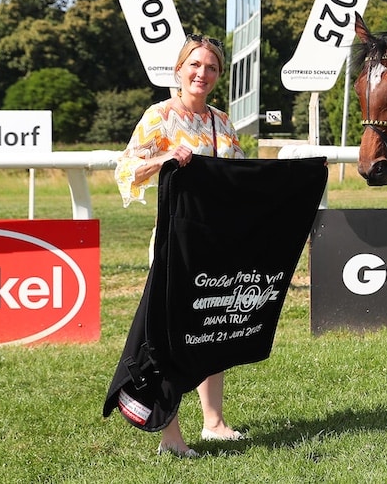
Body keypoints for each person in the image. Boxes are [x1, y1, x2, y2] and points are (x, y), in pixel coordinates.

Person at [115, 33, 246, 459]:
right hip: (175, 243)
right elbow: (127, 168)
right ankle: (171, 436)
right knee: (171, 337)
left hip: (217, 240)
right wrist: (167, 159)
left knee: (213, 329)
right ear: (179, 68)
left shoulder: (222, 121)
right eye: (195, 65)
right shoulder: (160, 115)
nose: (202, 73)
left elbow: (242, 178)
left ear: (218, 75)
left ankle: (215, 422)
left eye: (210, 67)